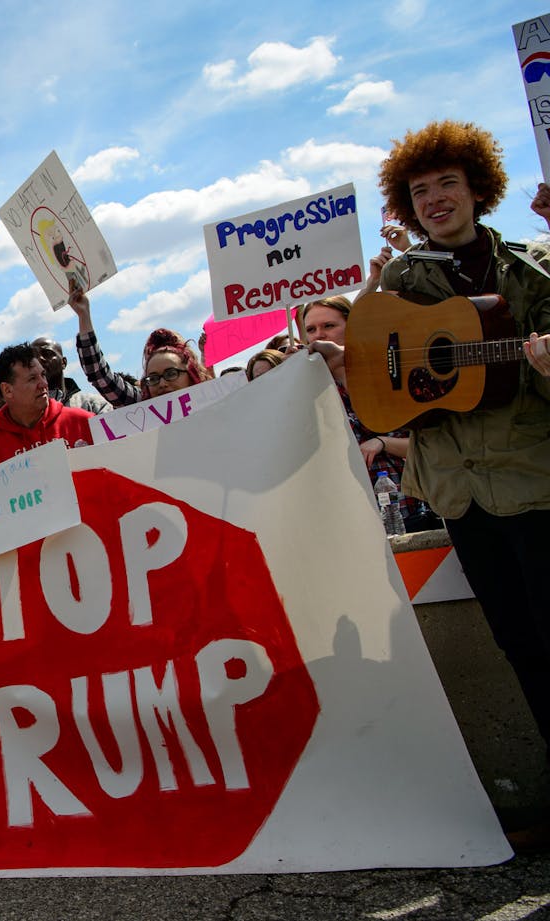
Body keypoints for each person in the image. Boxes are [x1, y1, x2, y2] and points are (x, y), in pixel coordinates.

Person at [373, 120, 550, 754]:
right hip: (459, 495)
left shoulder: (535, 270)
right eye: (420, 190)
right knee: (519, 644)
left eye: (448, 183)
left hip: (534, 483)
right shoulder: (400, 283)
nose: (434, 199)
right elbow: (377, 377)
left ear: (479, 190)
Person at [299, 294, 431, 531]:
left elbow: (429, 445)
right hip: (354, 520)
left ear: (353, 326)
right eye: (311, 329)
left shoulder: (390, 374)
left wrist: (382, 442)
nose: (319, 335)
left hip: (414, 507)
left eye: (329, 326)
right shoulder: (313, 392)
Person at [0, 342, 95, 481]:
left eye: (43, 375)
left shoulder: (85, 423)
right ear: (7, 390)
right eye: (32, 379)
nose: (44, 384)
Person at [65, 280, 210, 406]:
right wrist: (83, 315)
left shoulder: (213, 399)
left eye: (171, 373)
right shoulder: (142, 408)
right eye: (153, 378)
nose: (162, 384)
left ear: (191, 375)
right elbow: (99, 375)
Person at [32, 335, 112, 415]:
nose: (39, 359)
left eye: (47, 353)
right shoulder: (24, 414)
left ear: (63, 363)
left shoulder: (93, 405)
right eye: (33, 357)